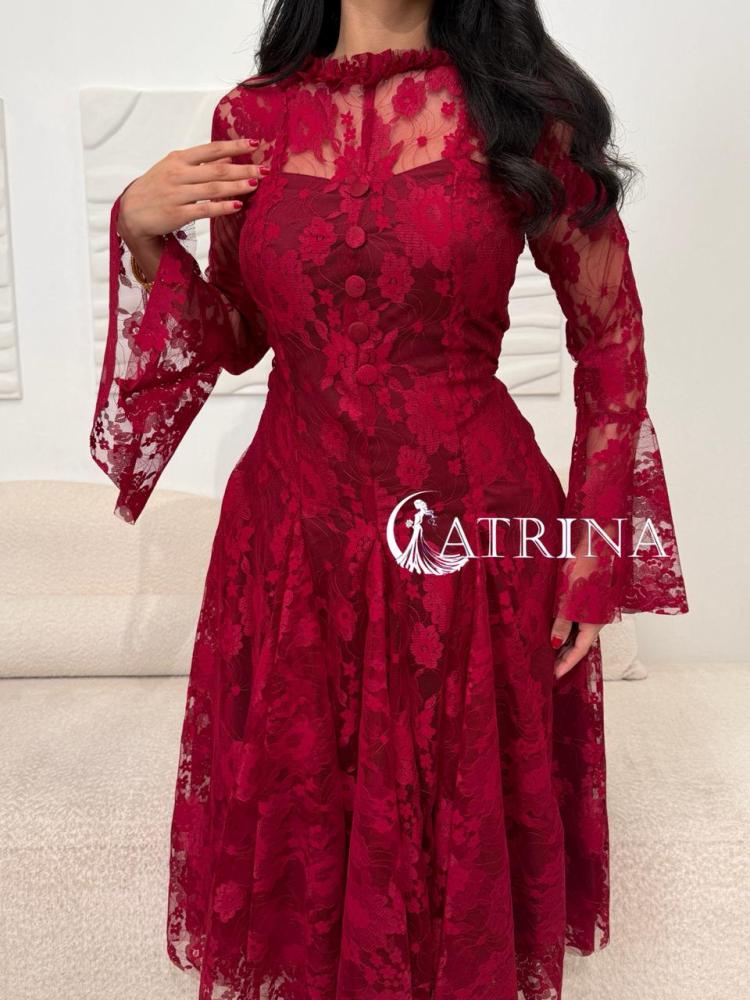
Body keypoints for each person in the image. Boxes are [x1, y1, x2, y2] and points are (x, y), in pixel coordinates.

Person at [89, 1, 689, 997]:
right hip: (293, 549)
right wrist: (144, 236)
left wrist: (592, 550)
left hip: (466, 552)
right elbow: (239, 334)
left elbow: (611, 342)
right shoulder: (253, 118)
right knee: (308, 869)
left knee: (451, 871)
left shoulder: (520, 111)